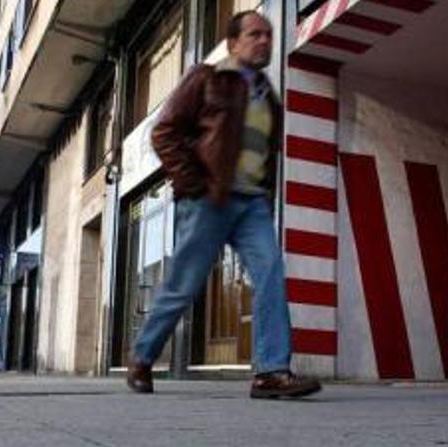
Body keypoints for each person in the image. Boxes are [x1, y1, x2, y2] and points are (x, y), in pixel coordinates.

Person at [126, 11, 321, 400]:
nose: (264, 41)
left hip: (251, 206)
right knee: (185, 284)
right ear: (233, 43)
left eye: (268, 35)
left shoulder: (268, 95)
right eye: (254, 34)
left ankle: (271, 372)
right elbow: (164, 132)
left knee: (270, 276)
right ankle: (143, 358)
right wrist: (193, 183)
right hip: (208, 200)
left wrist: (266, 197)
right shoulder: (206, 78)